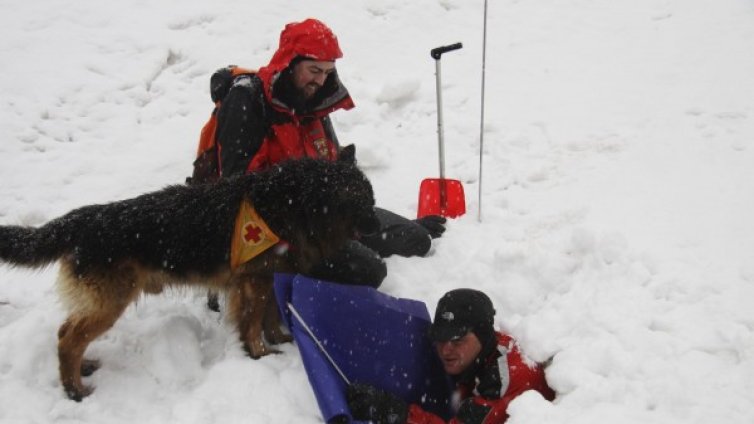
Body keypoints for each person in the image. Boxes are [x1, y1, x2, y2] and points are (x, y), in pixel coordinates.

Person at [212, 18, 446, 289]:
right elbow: (237, 187)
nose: (320, 80)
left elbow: (331, 164)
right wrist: (310, 214)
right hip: (275, 231)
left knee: (415, 239)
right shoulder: (247, 102)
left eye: (327, 71)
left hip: (327, 214)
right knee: (369, 271)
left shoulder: (313, 98)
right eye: (314, 70)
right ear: (289, 62)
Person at [347, 288, 556, 423]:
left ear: (483, 335)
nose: (446, 350)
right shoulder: (483, 352)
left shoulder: (503, 380)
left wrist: (397, 414)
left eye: (457, 341)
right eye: (440, 338)